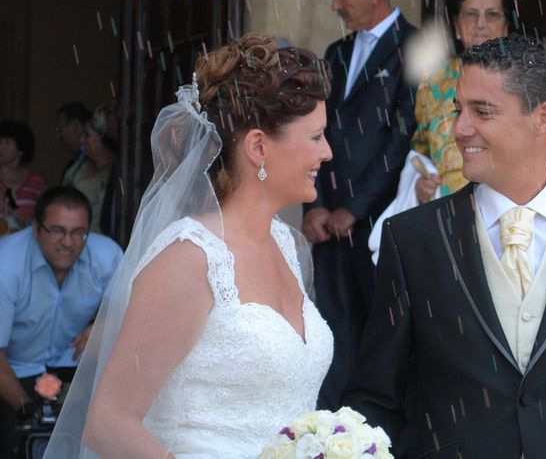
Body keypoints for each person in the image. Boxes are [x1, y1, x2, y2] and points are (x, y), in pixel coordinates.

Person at [344, 34, 546, 459]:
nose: (460, 129)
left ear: (543, 118)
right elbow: (376, 397)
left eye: (482, 111)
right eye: (457, 110)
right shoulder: (412, 238)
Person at [47, 33, 335, 458]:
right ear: (258, 147)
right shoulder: (188, 258)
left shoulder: (291, 247)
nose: (327, 152)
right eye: (315, 137)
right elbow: (108, 425)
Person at [301, 0, 417, 410]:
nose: (334, 5)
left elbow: (404, 138)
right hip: (329, 224)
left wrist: (356, 207)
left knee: (384, 338)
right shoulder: (337, 51)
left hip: (380, 222)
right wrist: (314, 204)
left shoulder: (418, 46)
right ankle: (332, 434)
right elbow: (318, 129)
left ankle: (378, 438)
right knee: (332, 338)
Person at [412, 0, 546, 203]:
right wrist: (421, 185)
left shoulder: (536, 80)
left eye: (492, 15)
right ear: (457, 25)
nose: (480, 24)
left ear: (506, 24)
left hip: (519, 220)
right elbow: (420, 157)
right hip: (448, 220)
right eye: (471, 14)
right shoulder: (433, 83)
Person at [0, 186, 122, 457]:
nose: (68, 242)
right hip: (14, 371)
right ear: (35, 229)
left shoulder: (107, 257)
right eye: (56, 230)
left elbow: (137, 311)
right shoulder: (6, 263)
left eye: (78, 232)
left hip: (74, 369)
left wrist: (103, 325)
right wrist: (26, 410)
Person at [64, 104, 117, 236]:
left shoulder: (118, 174)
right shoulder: (76, 168)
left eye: (87, 135)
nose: (82, 140)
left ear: (102, 138)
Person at [0, 119, 46, 234]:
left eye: (7, 142)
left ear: (21, 150)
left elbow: (45, 217)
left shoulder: (37, 183)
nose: (1, 146)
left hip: (25, 246)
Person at [56, 102, 92, 185]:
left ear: (76, 126)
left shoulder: (96, 162)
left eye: (59, 129)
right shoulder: (72, 166)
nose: (58, 137)